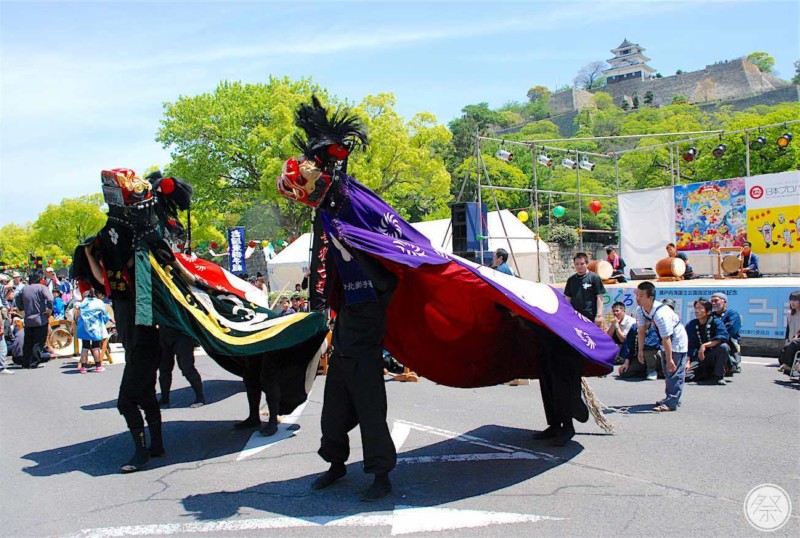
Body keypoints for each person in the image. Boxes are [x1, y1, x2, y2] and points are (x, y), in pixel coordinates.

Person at [278, 97, 396, 501]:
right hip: (347, 312)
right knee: (334, 403)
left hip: (368, 308)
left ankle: (381, 474)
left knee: (367, 399)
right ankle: (335, 462)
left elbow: (389, 246)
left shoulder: (352, 200)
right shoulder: (327, 206)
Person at [634, 281, 688, 412]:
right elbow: (641, 330)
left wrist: (669, 359)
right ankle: (670, 397)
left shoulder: (661, 314)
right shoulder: (640, 310)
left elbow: (667, 338)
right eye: (637, 295)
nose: (638, 298)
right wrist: (640, 350)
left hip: (676, 340)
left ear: (650, 298)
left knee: (674, 370)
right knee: (667, 371)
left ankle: (672, 402)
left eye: (641, 296)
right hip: (665, 340)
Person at [685, 298, 729, 385]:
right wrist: (688, 361)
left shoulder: (716, 322)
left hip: (713, 354)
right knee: (685, 376)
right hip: (699, 356)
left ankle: (719, 376)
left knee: (724, 347)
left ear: (708, 311)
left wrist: (705, 345)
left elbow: (723, 336)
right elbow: (688, 344)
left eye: (700, 308)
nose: (697, 311)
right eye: (696, 308)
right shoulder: (691, 324)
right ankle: (707, 372)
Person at [158, 326, 205, 408]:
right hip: (163, 335)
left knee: (187, 368)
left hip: (182, 335)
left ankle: (200, 397)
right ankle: (164, 398)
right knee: (164, 369)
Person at [14, 269, 53, 369]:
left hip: (28, 319)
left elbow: (17, 299)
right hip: (40, 319)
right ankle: (34, 362)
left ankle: (25, 362)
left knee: (28, 342)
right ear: (40, 279)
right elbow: (50, 298)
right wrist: (49, 309)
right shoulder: (42, 288)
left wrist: (22, 307)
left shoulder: (24, 289)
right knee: (38, 342)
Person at [564, 252, 605, 327]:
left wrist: (599, 315)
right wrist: (567, 315)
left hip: (591, 317)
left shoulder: (594, 278)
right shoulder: (571, 280)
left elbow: (600, 297)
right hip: (575, 317)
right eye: (577, 264)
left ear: (587, 264)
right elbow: (568, 299)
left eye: (582, 264)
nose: (579, 266)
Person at [75, 289, 110, 374]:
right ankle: (98, 366)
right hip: (94, 328)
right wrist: (107, 321)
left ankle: (83, 368)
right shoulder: (99, 302)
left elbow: (78, 311)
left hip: (83, 327)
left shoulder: (84, 301)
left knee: (85, 346)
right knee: (96, 346)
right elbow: (104, 315)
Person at [710, 292, 741, 375]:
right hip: (712, 341)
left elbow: (730, 331)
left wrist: (715, 338)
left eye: (716, 301)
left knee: (724, 345)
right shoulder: (711, 315)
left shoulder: (733, 314)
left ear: (724, 302)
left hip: (729, 342)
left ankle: (732, 363)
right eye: (712, 301)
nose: (713, 303)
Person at [778, 291, 800, 378]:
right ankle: (789, 366)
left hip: (797, 340)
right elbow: (788, 329)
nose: (792, 302)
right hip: (793, 338)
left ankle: (789, 365)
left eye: (796, 300)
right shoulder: (790, 314)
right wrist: (787, 339)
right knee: (787, 348)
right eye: (791, 300)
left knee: (792, 346)